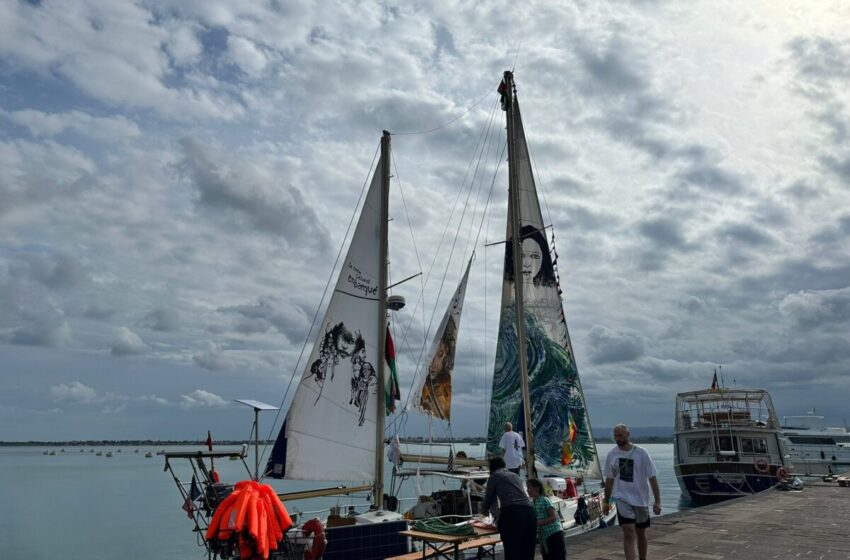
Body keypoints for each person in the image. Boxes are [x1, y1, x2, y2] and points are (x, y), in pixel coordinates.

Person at [602, 424, 661, 560]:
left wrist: (657, 501)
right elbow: (609, 480)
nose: (617, 438)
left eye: (620, 435)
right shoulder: (612, 455)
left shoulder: (642, 453)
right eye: (615, 436)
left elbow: (652, 478)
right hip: (622, 498)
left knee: (641, 532)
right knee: (628, 532)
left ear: (628, 434)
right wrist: (606, 502)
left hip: (641, 499)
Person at [481, 457, 536, 560]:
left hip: (513, 513)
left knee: (512, 551)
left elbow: (488, 499)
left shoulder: (494, 476)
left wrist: (485, 512)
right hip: (530, 512)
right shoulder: (515, 475)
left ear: (491, 468)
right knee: (527, 551)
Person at [526, 478, 566, 560]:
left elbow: (554, 517)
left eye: (529, 487)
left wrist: (538, 523)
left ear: (537, 488)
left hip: (554, 534)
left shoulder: (545, 500)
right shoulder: (533, 502)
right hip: (544, 536)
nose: (527, 490)